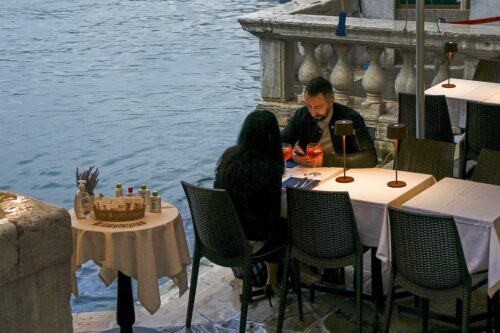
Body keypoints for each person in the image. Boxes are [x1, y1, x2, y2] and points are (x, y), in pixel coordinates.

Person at [214, 110, 285, 301]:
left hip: (218, 236)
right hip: (249, 241)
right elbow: (272, 215)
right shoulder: (269, 168)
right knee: (286, 226)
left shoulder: (229, 157)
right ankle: (273, 280)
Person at [282, 76, 378, 168]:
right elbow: (278, 144)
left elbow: (370, 158)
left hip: (342, 173)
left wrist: (325, 161)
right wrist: (292, 153)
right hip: (308, 172)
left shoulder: (350, 117)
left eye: (318, 107)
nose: (313, 112)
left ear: (331, 100)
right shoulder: (302, 115)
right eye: (309, 106)